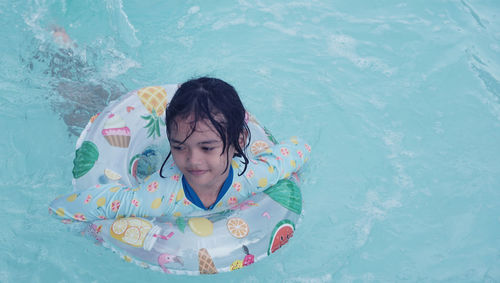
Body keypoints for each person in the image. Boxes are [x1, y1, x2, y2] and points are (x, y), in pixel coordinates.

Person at [49, 77, 311, 221]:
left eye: (207, 148)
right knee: (78, 109)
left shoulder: (253, 177)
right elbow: (101, 203)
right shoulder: (158, 197)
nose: (193, 160)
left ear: (239, 141)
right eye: (179, 146)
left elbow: (297, 151)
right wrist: (58, 211)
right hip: (145, 158)